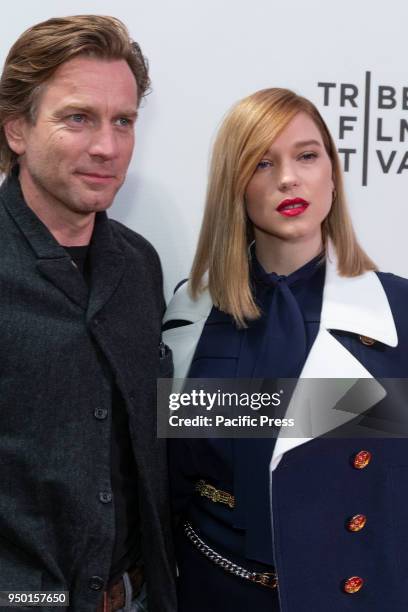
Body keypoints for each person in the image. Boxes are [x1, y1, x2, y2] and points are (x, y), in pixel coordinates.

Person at [162, 88, 408, 611]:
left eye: (307, 155)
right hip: (211, 589)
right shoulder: (189, 310)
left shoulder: (398, 313)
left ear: (333, 175)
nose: (288, 179)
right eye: (262, 163)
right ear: (236, 185)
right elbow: (170, 472)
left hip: (353, 590)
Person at [0, 15, 176, 612]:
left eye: (123, 121)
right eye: (78, 118)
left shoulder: (139, 264)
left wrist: (363, 409)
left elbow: (159, 426)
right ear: (17, 129)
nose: (106, 146)